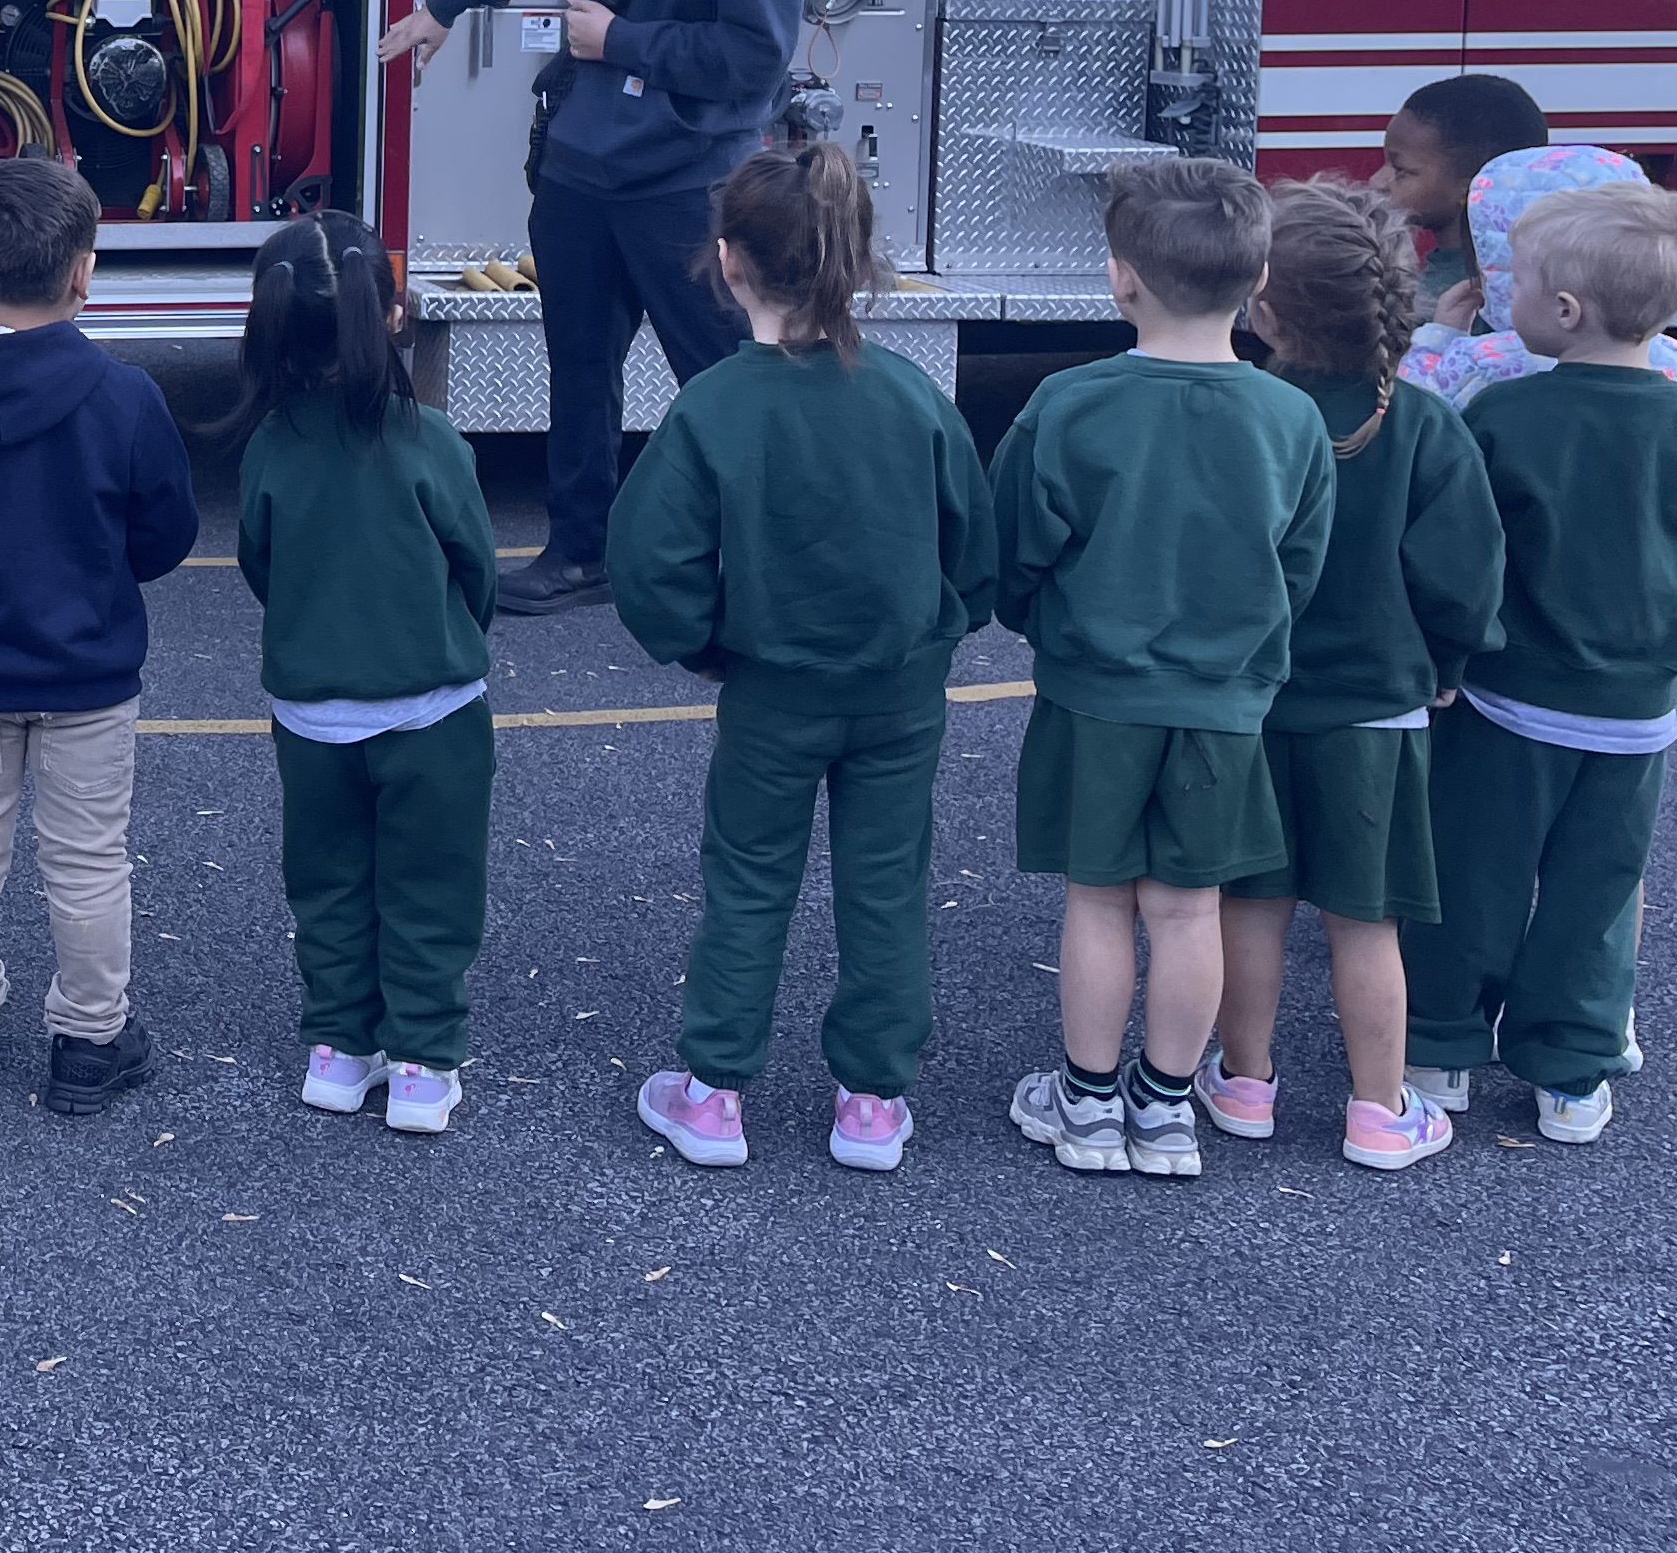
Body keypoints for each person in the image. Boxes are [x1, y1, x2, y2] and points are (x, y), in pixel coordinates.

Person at [373, 0, 803, 615]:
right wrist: (444, 5)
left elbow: (756, 57)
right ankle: (582, 553)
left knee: (724, 376)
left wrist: (623, 43)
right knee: (578, 367)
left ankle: (762, 568)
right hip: (579, 176)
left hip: (684, 186)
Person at [613, 142, 992, 1175]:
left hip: (772, 689)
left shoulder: (712, 409)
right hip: (902, 690)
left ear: (728, 264)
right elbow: (977, 542)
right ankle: (871, 1099)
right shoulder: (914, 398)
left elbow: (652, 564)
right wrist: (944, 625)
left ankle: (717, 1091)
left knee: (747, 878)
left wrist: (697, 646)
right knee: (887, 882)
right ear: (860, 257)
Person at [993, 158, 1333, 1179]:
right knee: (1189, 909)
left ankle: (1088, 1103)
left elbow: (1017, 548)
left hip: (1096, 691)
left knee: (1098, 898)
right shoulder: (1291, 419)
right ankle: (1168, 1104)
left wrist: (1042, 620)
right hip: (1226, 701)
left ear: (1120, 277)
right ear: (1260, 277)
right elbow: (1302, 564)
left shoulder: (1069, 403)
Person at [1401, 184, 1677, 1144]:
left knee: (1473, 871)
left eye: (1523, 285)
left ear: (1563, 311)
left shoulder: (1507, 415)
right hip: (1638, 707)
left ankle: (1440, 1044)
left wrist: (1449, 651)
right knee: (1598, 888)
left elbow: (1463, 553)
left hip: (1511, 695)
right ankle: (1573, 1069)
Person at [0, 154, 195, 1113]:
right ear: (84, 270)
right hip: (88, 668)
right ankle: (89, 1040)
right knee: (88, 857)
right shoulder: (126, 396)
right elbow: (165, 532)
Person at [1195, 180, 1500, 1175]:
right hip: (1378, 712)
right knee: (1368, 922)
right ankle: (1379, 1108)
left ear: (1263, 308)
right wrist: (1446, 666)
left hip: (1251, 702)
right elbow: (1464, 576)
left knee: (1252, 904)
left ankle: (1244, 1082)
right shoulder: (1423, 425)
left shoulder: (1240, 415)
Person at [229, 211, 496, 1137]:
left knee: (328, 882)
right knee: (431, 885)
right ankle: (422, 1060)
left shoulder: (268, 448)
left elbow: (262, 567)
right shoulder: (431, 440)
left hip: (313, 714)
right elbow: (477, 567)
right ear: (392, 315)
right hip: (436, 708)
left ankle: (338, 1049)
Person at [1398, 145, 1677, 408]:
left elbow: (1414, 413)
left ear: (1566, 310)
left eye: (1515, 280)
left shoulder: (1480, 366)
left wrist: (1440, 337)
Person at [1375, 74, 1548, 327]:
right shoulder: (1531, 283)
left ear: (1471, 187)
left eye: (1400, 169)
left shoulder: (1449, 305)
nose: (1376, 181)